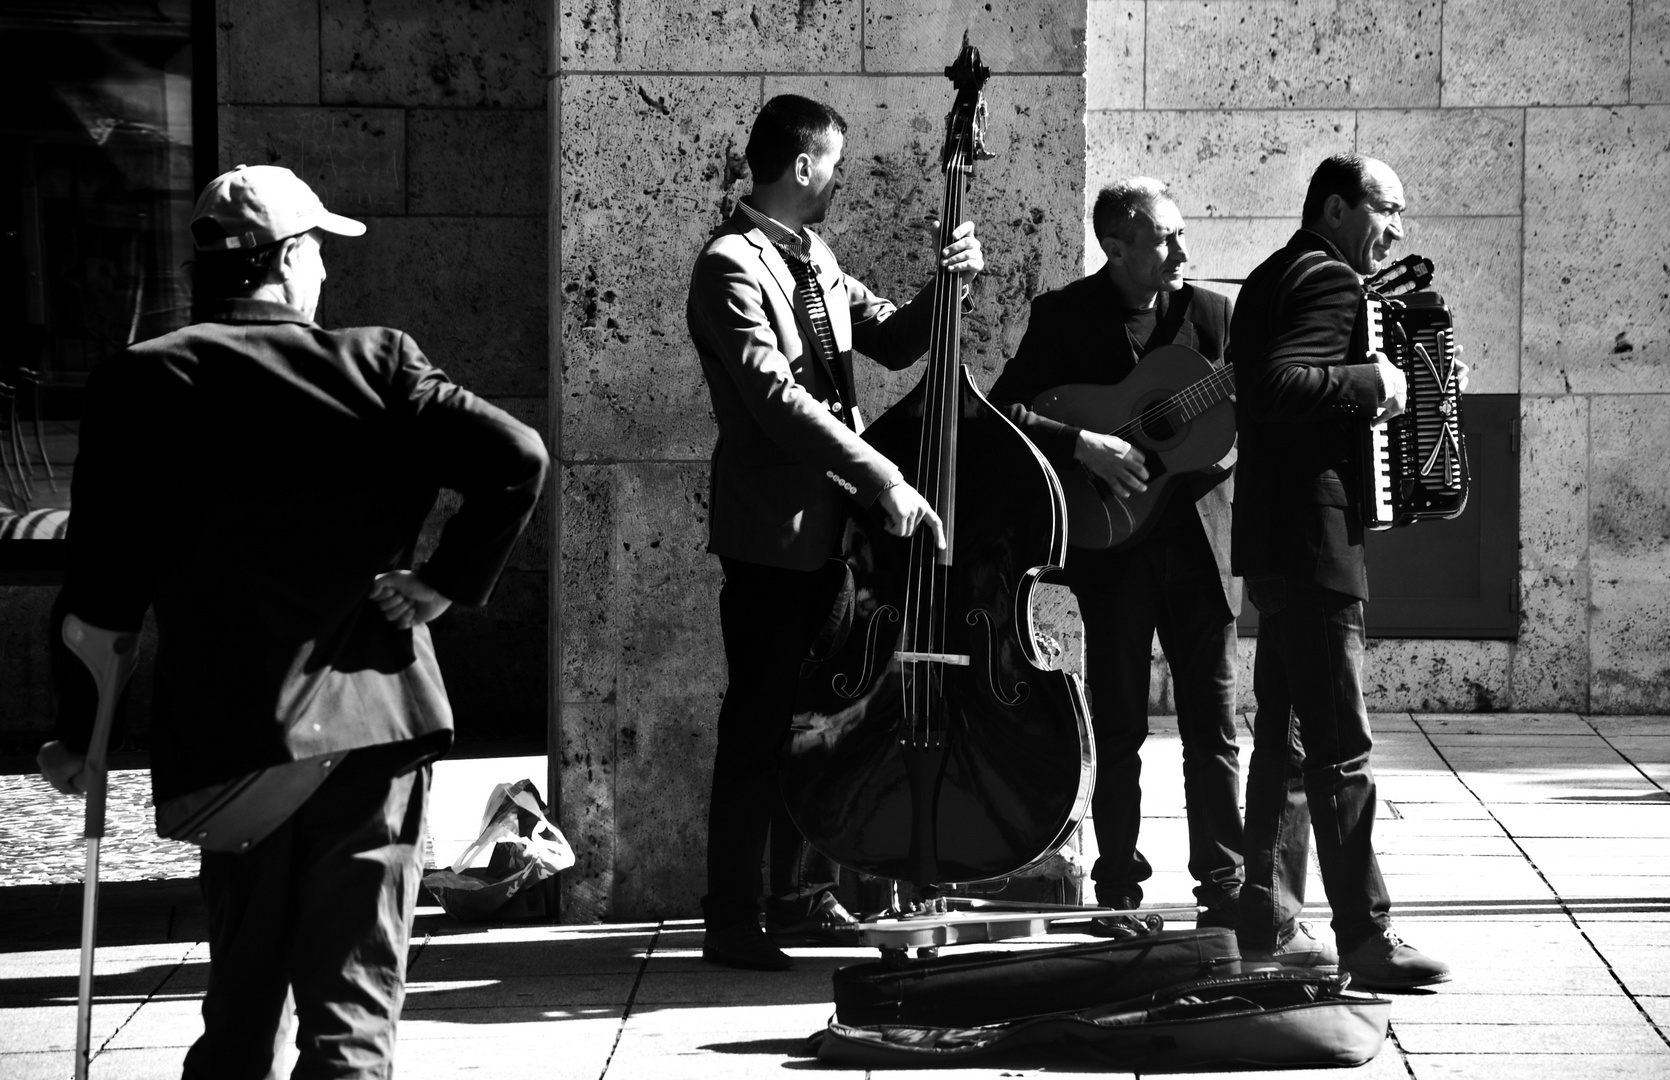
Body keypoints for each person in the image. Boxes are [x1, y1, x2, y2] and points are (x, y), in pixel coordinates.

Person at [37, 164, 550, 1076]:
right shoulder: (378, 361)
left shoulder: (138, 383)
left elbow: (98, 593)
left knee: (241, 1006)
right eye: (320, 254)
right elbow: (517, 457)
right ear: (295, 257)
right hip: (372, 727)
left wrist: (78, 738)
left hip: (231, 745)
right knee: (350, 1011)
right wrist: (441, 583)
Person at [686, 94, 982, 970]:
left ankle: (806, 897)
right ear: (804, 164)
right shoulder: (729, 266)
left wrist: (948, 281)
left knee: (818, 722)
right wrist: (883, 475)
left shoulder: (811, 253)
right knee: (758, 727)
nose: (840, 180)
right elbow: (776, 401)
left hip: (832, 538)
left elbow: (891, 338)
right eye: (835, 164)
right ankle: (733, 918)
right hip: (773, 538)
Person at [987, 178, 1243, 933]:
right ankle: (1118, 883)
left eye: (1182, 234)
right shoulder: (1066, 316)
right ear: (1116, 245)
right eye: (1164, 240)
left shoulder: (1214, 316)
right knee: (1120, 717)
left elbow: (1241, 417)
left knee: (1214, 718)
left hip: (1196, 539)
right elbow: (1006, 409)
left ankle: (1223, 882)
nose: (1183, 253)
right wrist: (1084, 445)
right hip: (1113, 544)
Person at [1230, 153, 1458, 988]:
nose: (1396, 228)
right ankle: (1367, 935)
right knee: (1341, 749)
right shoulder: (1326, 280)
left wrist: (1399, 388)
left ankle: (1271, 920)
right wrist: (1373, 380)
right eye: (1386, 209)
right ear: (1336, 206)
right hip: (1312, 543)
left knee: (1288, 745)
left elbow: (1293, 392)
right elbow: (1277, 385)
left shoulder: (1280, 271)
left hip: (1278, 541)